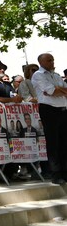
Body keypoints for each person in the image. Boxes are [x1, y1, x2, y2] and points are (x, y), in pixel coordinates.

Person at [32, 53, 67, 184]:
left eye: (52, 60)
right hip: (49, 109)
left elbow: (61, 90)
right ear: (41, 62)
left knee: (64, 141)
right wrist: (59, 90)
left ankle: (65, 171)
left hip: (62, 109)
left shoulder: (56, 75)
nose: (52, 62)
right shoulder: (38, 75)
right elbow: (51, 91)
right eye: (49, 60)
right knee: (53, 142)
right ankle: (56, 173)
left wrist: (60, 89)